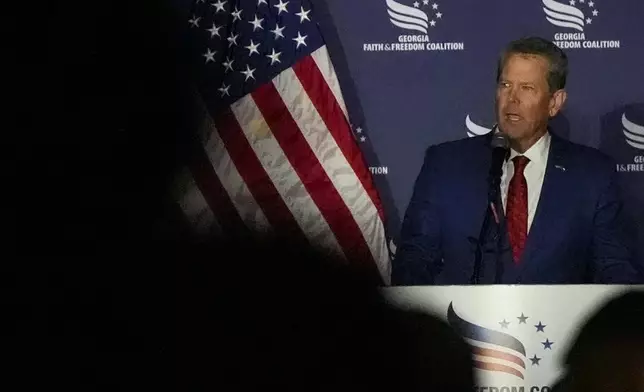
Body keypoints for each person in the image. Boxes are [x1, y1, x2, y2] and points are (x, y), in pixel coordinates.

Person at [392, 36, 642, 285]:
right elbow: (414, 261)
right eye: (505, 85)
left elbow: (615, 270)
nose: (512, 98)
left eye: (527, 88)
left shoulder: (593, 175)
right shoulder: (446, 165)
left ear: (554, 103)